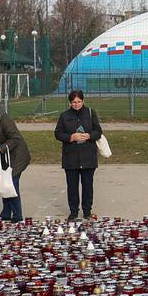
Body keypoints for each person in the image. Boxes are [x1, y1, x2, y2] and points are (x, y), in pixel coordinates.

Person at [54, 88, 105, 220]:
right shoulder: (64, 116)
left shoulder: (90, 112)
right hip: (71, 157)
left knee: (88, 185)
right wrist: (71, 137)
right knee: (72, 186)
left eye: (79, 101)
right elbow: (58, 133)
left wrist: (89, 135)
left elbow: (98, 131)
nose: (76, 104)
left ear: (83, 101)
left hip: (88, 157)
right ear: (70, 103)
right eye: (74, 102)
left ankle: (87, 211)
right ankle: (73, 211)